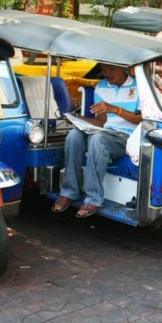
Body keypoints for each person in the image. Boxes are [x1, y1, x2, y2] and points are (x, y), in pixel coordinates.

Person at [51, 64, 141, 217]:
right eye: (104, 70)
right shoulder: (101, 87)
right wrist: (78, 119)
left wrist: (116, 109)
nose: (106, 73)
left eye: (110, 69)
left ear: (123, 68)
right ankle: (69, 191)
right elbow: (101, 122)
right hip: (105, 131)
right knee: (74, 135)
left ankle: (94, 198)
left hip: (127, 136)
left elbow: (141, 119)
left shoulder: (138, 86)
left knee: (98, 139)